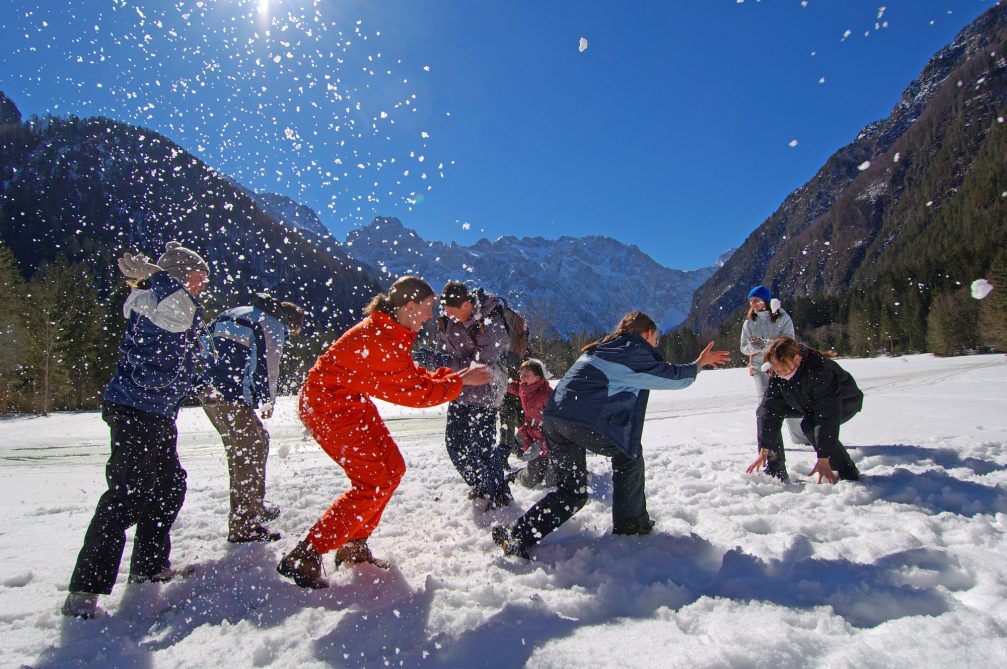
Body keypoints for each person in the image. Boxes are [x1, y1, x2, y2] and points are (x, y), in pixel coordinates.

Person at [277, 276, 490, 589]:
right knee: (374, 480)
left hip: (346, 400)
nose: (432, 315)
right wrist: (461, 382)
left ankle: (353, 544)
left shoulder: (390, 330)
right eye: (428, 308)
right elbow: (415, 393)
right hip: (328, 406)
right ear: (409, 306)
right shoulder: (382, 339)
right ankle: (307, 553)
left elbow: (411, 376)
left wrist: (455, 377)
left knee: (392, 469)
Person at [493, 311, 731, 559]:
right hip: (581, 422)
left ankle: (517, 535)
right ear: (647, 333)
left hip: (555, 420)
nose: (657, 344)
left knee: (571, 492)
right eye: (656, 338)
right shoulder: (630, 350)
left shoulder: (603, 348)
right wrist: (697, 365)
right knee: (629, 455)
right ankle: (631, 526)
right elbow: (669, 378)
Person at [62, 242, 211, 619]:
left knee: (168, 485)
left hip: (154, 412)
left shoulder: (168, 305)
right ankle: (85, 590)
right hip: (137, 410)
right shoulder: (169, 304)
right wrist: (158, 277)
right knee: (126, 495)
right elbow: (179, 312)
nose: (204, 284)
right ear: (179, 276)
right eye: (198, 276)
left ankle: (149, 567)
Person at [201, 292, 305, 543]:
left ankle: (254, 505)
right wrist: (267, 400)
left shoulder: (241, 311)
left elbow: (203, 341)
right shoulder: (271, 325)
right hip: (230, 396)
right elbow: (268, 364)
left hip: (209, 390)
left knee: (257, 441)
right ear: (290, 322)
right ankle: (243, 525)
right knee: (247, 453)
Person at [437, 281, 513, 509]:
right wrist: (442, 361)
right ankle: (482, 487)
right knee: (455, 445)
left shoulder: (490, 324)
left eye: (453, 313)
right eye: (446, 313)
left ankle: (500, 496)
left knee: (483, 450)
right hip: (458, 391)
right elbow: (444, 349)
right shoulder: (449, 319)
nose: (450, 318)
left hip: (484, 396)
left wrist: (445, 363)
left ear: (467, 305)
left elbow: (482, 368)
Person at [745, 336, 862, 483]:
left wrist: (823, 457)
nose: (777, 370)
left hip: (844, 402)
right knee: (770, 412)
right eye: (774, 366)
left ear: (797, 359)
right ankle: (775, 469)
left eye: (781, 366)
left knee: (810, 425)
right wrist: (764, 447)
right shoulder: (777, 373)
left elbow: (827, 416)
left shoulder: (819, 370)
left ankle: (847, 472)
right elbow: (768, 409)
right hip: (805, 402)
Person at [739, 285, 810, 448]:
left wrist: (765, 344)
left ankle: (800, 439)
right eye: (751, 301)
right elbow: (744, 348)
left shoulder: (783, 317)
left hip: (782, 365)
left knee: (790, 400)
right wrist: (756, 347)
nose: (753, 304)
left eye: (756, 300)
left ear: (766, 300)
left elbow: (789, 342)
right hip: (759, 367)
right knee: (765, 402)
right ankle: (768, 442)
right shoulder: (749, 323)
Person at [505, 359, 554, 488]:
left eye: (527, 374)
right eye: (521, 373)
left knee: (552, 482)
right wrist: (500, 382)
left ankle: (575, 470)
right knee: (530, 480)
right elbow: (514, 387)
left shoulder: (547, 394)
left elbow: (556, 426)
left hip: (552, 442)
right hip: (533, 435)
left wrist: (542, 444)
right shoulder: (524, 387)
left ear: (538, 377)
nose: (522, 377)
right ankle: (518, 474)